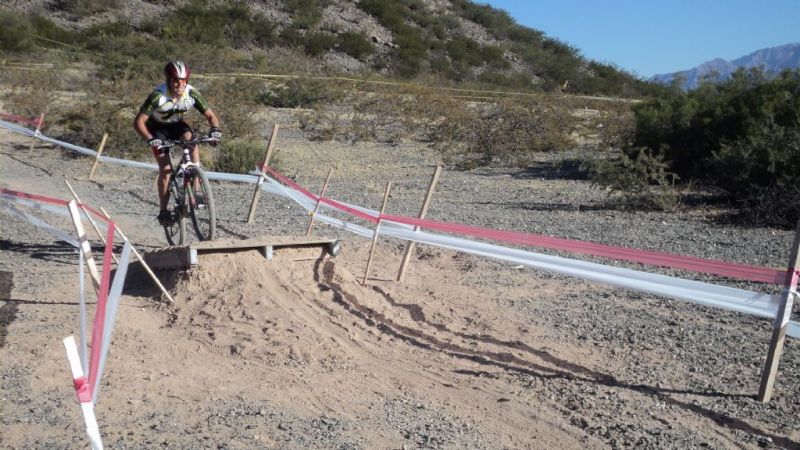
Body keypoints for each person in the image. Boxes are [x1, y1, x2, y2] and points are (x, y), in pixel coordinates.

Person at [133, 60, 222, 224]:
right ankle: (163, 210)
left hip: (176, 125)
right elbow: (138, 122)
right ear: (168, 80)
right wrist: (150, 139)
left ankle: (196, 187)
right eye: (175, 80)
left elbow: (211, 115)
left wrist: (215, 129)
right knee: (166, 170)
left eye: (183, 81)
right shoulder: (158, 95)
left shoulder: (192, 93)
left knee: (191, 139)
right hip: (157, 129)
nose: (179, 85)